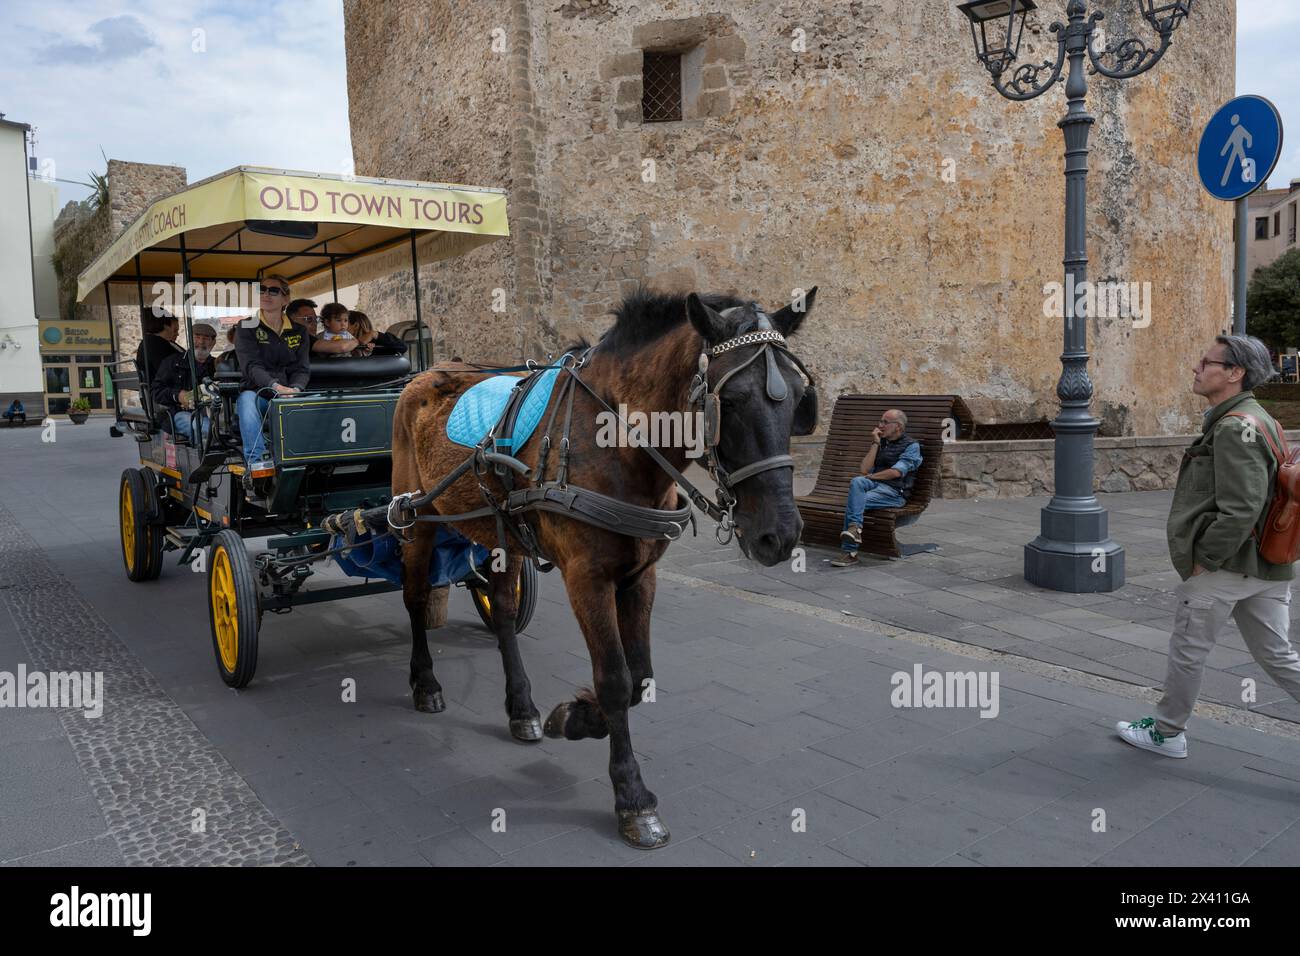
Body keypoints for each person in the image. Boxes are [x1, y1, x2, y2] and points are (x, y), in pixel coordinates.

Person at [1118, 334, 1300, 758]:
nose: (1196, 369)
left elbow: (1241, 508)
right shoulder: (1259, 418)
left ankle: (1167, 733)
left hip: (1228, 567)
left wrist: (1205, 559)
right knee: (1277, 656)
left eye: (1206, 362)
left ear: (1235, 373)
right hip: (1266, 565)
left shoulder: (1236, 427)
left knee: (1188, 652)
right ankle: (1167, 728)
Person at [234, 274, 310, 472]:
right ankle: (257, 463)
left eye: (273, 290)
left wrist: (295, 388)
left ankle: (309, 455)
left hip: (289, 392)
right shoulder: (245, 327)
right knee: (246, 401)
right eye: (262, 289)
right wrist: (276, 387)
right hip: (258, 392)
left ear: (285, 299)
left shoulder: (298, 330)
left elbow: (301, 368)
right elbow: (251, 366)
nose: (266, 294)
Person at [831, 409, 923, 567]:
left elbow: (896, 472)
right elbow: (864, 470)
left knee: (855, 502)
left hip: (894, 493)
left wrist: (872, 477)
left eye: (885, 422)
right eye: (880, 421)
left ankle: (850, 552)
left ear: (898, 426)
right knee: (857, 481)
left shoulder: (912, 446)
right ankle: (854, 529)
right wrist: (875, 443)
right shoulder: (882, 442)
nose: (880, 426)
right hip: (876, 485)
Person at [151, 322, 217, 443]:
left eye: (206, 338)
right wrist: (178, 395)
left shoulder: (217, 365)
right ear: (190, 339)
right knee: (205, 429)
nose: (201, 342)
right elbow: (156, 392)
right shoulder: (172, 362)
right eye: (197, 337)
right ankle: (206, 460)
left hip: (213, 414)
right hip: (179, 413)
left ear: (213, 343)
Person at [135, 308, 184, 386]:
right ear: (166, 326)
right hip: (168, 391)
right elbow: (172, 371)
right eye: (174, 330)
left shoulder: (151, 342)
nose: (177, 334)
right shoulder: (155, 344)